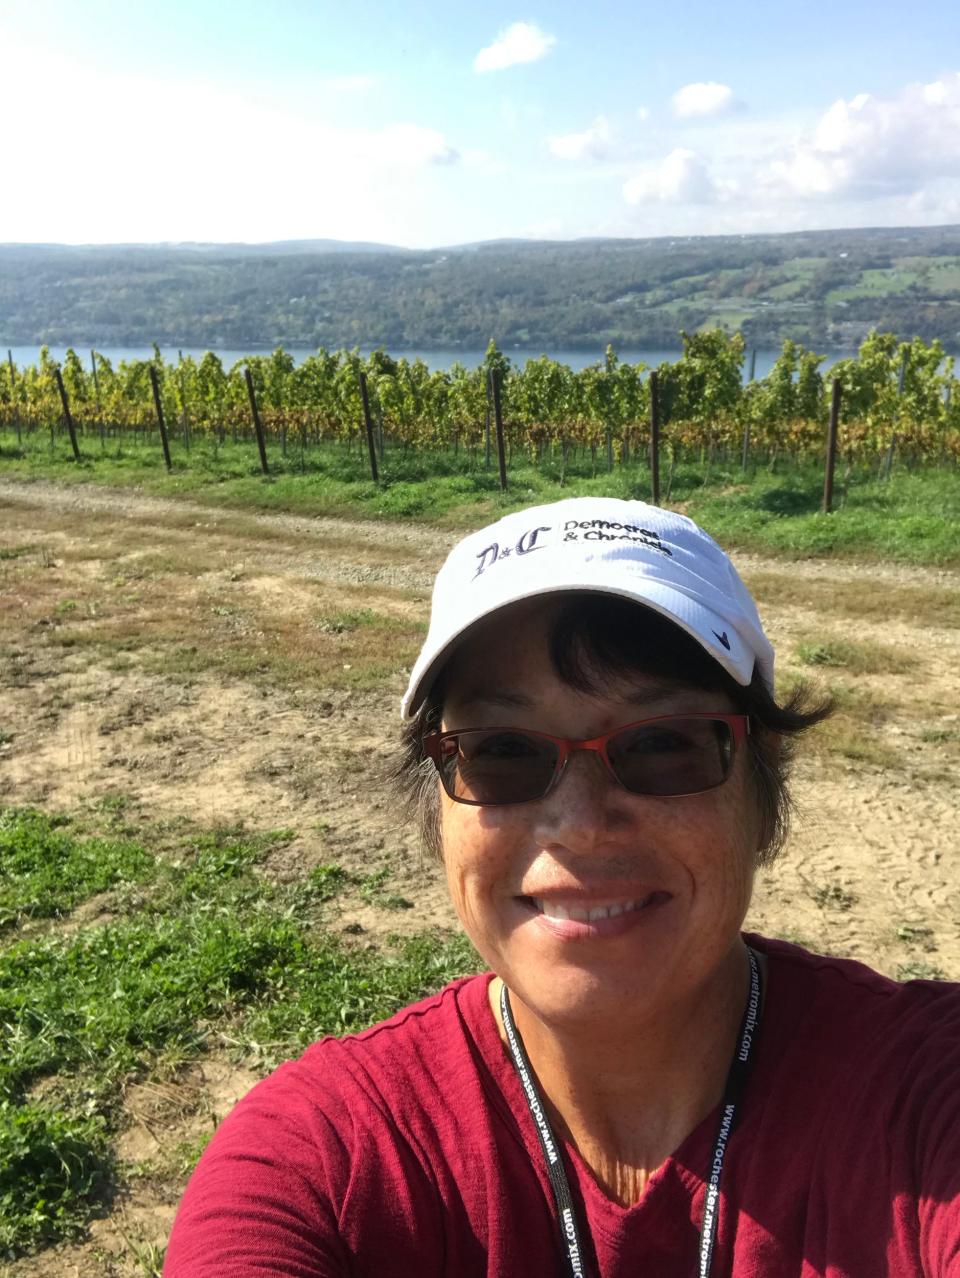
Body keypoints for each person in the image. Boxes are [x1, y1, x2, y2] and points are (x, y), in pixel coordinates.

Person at [164, 497, 960, 1277]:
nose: (579, 824)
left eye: (662, 745)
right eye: (505, 750)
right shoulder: (330, 1162)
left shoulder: (918, 1096)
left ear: (762, 791)